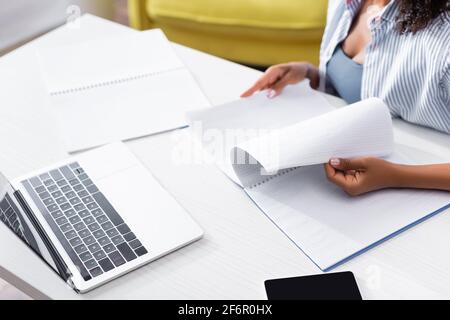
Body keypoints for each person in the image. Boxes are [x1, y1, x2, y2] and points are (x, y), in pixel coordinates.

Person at [241, 0, 450, 196]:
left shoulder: (443, 40)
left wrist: (395, 175)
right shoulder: (346, 3)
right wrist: (310, 76)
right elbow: (361, 86)